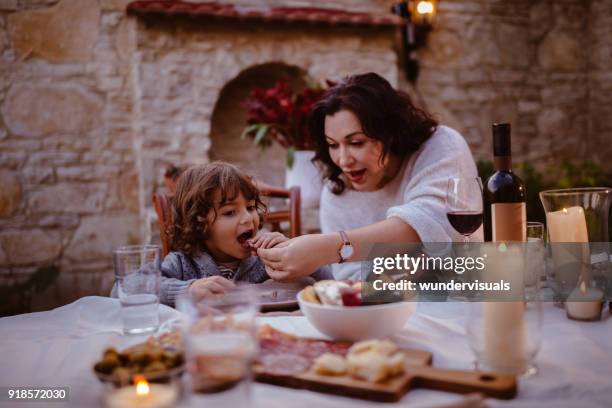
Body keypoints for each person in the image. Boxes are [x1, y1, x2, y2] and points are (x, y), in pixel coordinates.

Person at [258, 72, 481, 281]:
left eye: (356, 143)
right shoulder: (336, 193)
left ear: (391, 133)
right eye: (333, 145)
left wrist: (327, 248)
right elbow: (352, 278)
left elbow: (431, 222)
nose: (343, 160)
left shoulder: (442, 145)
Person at [158, 162, 329, 306]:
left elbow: (329, 283)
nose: (248, 218)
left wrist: (297, 254)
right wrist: (188, 290)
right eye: (230, 212)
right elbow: (138, 286)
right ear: (199, 222)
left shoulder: (267, 261)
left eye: (250, 207)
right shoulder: (182, 262)